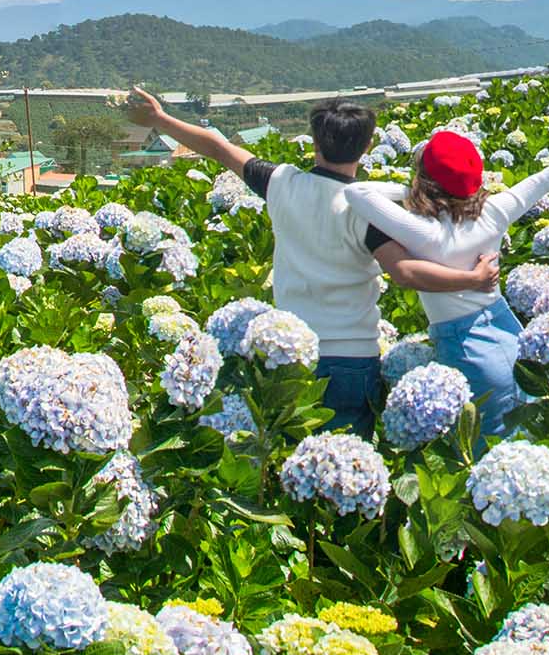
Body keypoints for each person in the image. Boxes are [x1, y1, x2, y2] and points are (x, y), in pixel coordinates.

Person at [345, 125, 549, 437]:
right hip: (510, 333)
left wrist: (410, 192)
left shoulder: (423, 232)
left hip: (466, 348)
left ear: (426, 182)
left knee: (486, 447)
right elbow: (546, 178)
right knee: (529, 436)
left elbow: (355, 192)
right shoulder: (494, 212)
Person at [125, 88, 386, 434]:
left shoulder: (282, 183)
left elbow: (218, 147)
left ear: (314, 142)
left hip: (292, 354)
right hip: (355, 358)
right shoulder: (372, 208)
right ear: (367, 146)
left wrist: (159, 118)